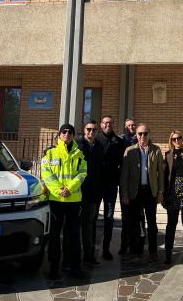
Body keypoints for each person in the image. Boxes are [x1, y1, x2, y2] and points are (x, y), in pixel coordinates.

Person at [41, 124, 87, 280]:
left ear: (73, 135)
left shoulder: (79, 154)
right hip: (56, 200)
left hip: (74, 200)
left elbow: (82, 174)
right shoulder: (50, 153)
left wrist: (70, 189)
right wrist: (60, 189)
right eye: (64, 131)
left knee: (74, 235)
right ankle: (54, 267)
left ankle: (75, 267)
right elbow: (46, 174)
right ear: (59, 135)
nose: (67, 134)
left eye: (70, 132)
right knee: (54, 235)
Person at [120, 124, 164, 264]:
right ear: (136, 135)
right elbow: (124, 175)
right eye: (140, 134)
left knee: (152, 223)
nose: (142, 136)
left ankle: (153, 252)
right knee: (133, 223)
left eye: (145, 133)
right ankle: (133, 251)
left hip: (150, 191)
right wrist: (125, 194)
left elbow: (160, 174)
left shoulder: (156, 151)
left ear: (149, 134)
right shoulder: (129, 150)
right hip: (134, 192)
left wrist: (160, 191)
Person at [95, 115, 124, 261]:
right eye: (105, 123)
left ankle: (106, 249)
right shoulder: (95, 140)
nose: (108, 125)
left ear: (113, 124)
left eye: (110, 123)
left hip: (111, 186)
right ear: (101, 124)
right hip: (96, 186)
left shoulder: (118, 142)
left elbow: (122, 163)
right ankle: (91, 249)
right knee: (93, 217)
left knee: (109, 217)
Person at [76, 120, 104, 267]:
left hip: (92, 192)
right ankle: (70, 257)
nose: (91, 132)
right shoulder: (77, 144)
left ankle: (88, 255)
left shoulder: (99, 147)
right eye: (88, 129)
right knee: (72, 226)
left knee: (88, 224)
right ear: (84, 130)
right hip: (76, 192)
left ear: (97, 132)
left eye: (94, 130)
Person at [161, 130, 183, 264]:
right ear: (171, 141)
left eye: (178, 138)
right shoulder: (168, 155)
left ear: (182, 139)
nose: (176, 141)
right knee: (171, 223)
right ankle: (168, 251)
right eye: (174, 139)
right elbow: (164, 174)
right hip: (173, 192)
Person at [119, 117, 145, 256]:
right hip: (124, 182)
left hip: (139, 183)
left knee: (140, 216)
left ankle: (139, 245)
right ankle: (124, 245)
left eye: (133, 125)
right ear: (125, 126)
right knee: (125, 216)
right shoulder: (120, 140)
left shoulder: (143, 138)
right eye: (129, 125)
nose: (131, 127)